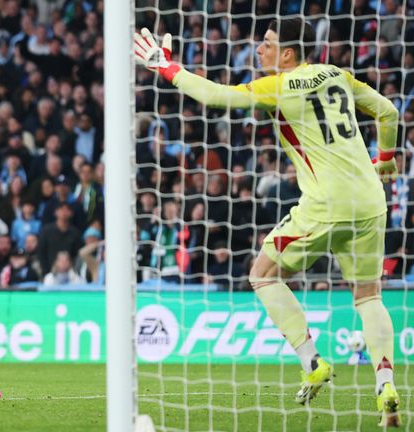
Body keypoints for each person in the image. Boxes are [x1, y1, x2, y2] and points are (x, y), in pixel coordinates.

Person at [135, 17, 400, 425]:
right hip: (370, 201)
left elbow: (216, 96)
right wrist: (385, 157)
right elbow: (388, 112)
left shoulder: (279, 85)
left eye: (268, 43)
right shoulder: (340, 75)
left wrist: (167, 68)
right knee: (368, 297)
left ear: (288, 53)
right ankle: (386, 386)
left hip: (326, 204)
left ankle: (312, 361)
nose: (259, 49)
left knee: (262, 274)